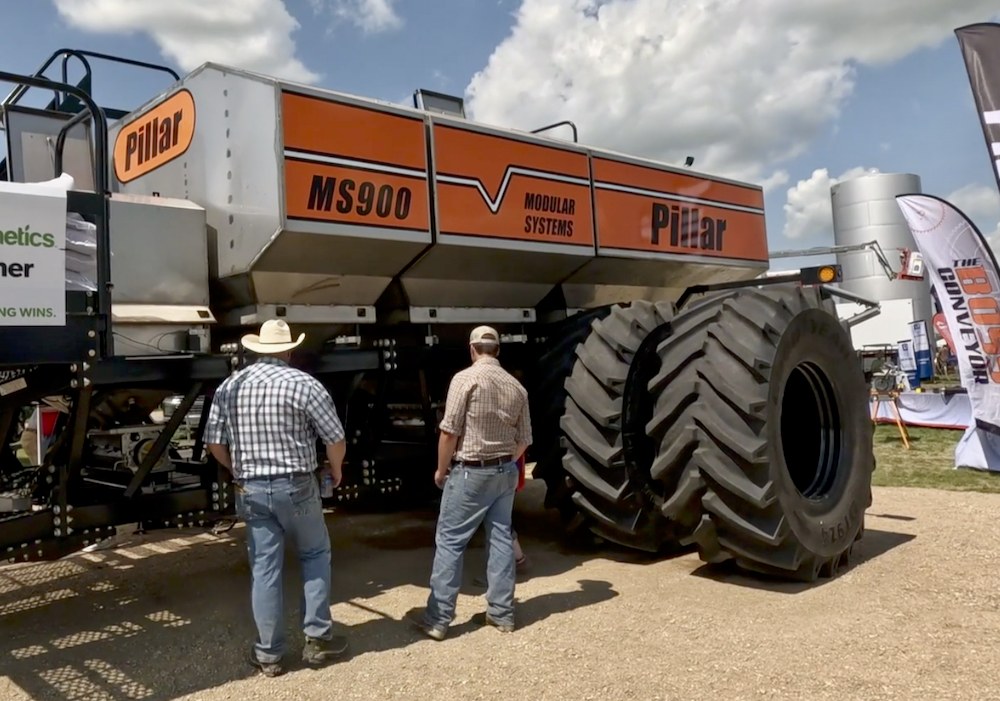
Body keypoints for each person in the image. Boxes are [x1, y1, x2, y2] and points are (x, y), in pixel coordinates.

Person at [204, 319, 349, 677]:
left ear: (257, 349)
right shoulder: (305, 385)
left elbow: (213, 442)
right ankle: (316, 639)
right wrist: (337, 468)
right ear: (287, 349)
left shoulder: (230, 385)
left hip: (252, 488)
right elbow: (334, 438)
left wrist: (236, 469)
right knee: (315, 554)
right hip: (297, 484)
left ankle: (269, 653)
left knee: (265, 568)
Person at [413, 326, 532, 640]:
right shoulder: (517, 387)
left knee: (451, 542)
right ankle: (502, 614)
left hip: (470, 471)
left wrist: (441, 470)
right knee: (501, 539)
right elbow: (524, 440)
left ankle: (438, 619)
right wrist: (505, 460)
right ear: (498, 350)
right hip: (505, 471)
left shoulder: (464, 380)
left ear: (472, 349)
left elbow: (449, 431)